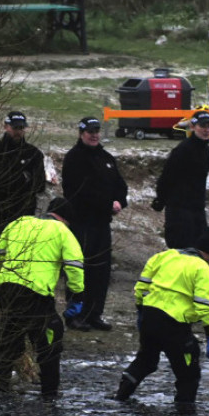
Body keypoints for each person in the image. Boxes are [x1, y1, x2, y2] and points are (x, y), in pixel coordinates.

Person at [112, 227, 209, 411]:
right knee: (188, 372)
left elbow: (141, 286)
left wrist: (141, 311)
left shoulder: (164, 256)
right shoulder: (202, 268)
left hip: (149, 316)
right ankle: (184, 415)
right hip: (175, 325)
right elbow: (203, 304)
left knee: (146, 361)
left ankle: (120, 397)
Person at [0, 197, 84, 395]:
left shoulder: (19, 223)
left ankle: (0, 385)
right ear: (66, 219)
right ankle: (50, 392)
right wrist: (77, 294)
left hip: (7, 288)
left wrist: (0, 279)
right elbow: (75, 265)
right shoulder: (62, 231)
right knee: (49, 337)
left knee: (10, 333)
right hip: (36, 292)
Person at [61, 116, 128, 331]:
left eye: (97, 131)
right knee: (80, 270)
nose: (94, 135)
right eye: (90, 132)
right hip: (81, 223)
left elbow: (120, 185)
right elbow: (79, 192)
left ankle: (94, 313)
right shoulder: (74, 158)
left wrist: (119, 201)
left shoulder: (106, 158)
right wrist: (107, 204)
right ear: (81, 133)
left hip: (102, 224)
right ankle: (75, 314)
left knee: (101, 271)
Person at [0, 110, 47, 279]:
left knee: (19, 260)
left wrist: (17, 180)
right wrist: (23, 177)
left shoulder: (33, 154)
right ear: (6, 126)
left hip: (23, 216)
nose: (18, 131)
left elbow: (39, 185)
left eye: (21, 128)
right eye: (15, 127)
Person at [151, 110, 209, 249]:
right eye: (202, 126)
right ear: (193, 127)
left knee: (198, 247)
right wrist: (160, 199)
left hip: (197, 208)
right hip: (179, 208)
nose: (206, 130)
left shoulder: (206, 151)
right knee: (181, 247)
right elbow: (167, 176)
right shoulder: (183, 150)